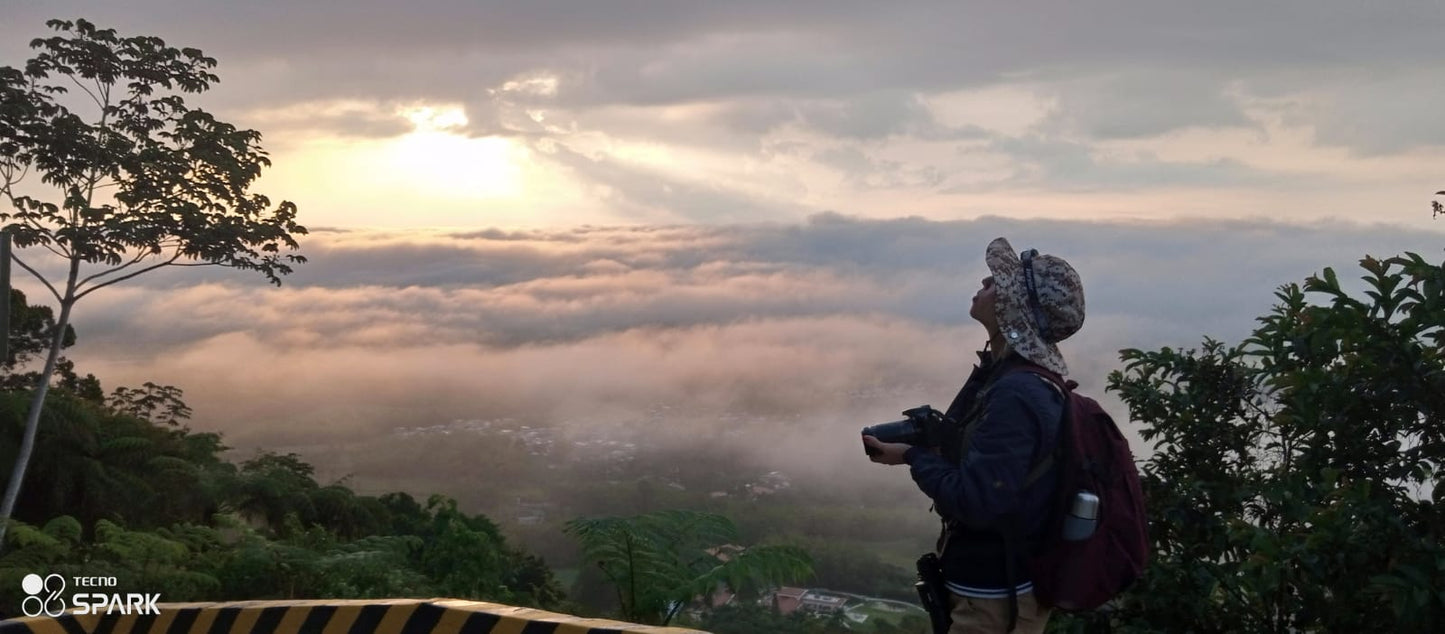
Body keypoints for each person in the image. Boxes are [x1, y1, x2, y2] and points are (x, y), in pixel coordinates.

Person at [863, 237, 1085, 634]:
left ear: (1012, 308)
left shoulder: (1017, 393)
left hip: (996, 603)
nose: (985, 281)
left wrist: (912, 457)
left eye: (997, 282)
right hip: (990, 591)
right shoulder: (1006, 377)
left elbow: (977, 501)